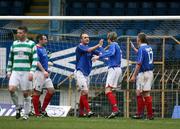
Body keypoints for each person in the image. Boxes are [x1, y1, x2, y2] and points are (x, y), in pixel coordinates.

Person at [7, 26, 38, 120]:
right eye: (17, 32)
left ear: (25, 33)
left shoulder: (31, 44)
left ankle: (26, 114)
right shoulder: (14, 43)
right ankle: (17, 107)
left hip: (26, 71)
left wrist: (32, 72)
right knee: (11, 89)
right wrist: (9, 71)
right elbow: (10, 58)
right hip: (15, 71)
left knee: (26, 94)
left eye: (20, 33)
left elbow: (35, 59)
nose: (18, 34)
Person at [92, 32, 122, 119]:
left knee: (107, 90)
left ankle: (115, 109)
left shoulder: (113, 45)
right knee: (112, 91)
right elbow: (107, 54)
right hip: (117, 69)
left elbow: (111, 53)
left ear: (109, 39)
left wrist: (98, 57)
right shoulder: (117, 46)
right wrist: (100, 47)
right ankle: (115, 110)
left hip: (113, 69)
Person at [75, 33, 103, 117]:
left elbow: (99, 54)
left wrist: (105, 55)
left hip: (87, 74)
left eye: (88, 37)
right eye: (85, 37)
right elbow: (89, 50)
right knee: (85, 91)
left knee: (84, 93)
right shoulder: (80, 47)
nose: (87, 39)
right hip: (79, 72)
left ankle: (80, 113)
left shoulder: (89, 48)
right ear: (81, 39)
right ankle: (89, 111)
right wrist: (98, 45)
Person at [129, 32, 154, 120]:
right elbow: (144, 55)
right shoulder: (149, 48)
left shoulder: (141, 49)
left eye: (137, 38)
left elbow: (139, 64)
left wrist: (133, 76)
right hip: (150, 72)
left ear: (139, 39)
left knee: (140, 93)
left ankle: (142, 114)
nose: (136, 39)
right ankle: (147, 114)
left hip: (143, 73)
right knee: (145, 93)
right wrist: (134, 49)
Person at [32, 34, 55, 117]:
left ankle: (42, 110)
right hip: (39, 73)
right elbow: (36, 61)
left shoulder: (44, 49)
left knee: (51, 90)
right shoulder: (36, 48)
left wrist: (47, 65)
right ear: (40, 40)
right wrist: (43, 70)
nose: (46, 41)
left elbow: (43, 60)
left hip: (45, 73)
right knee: (37, 92)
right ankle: (37, 113)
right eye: (45, 39)